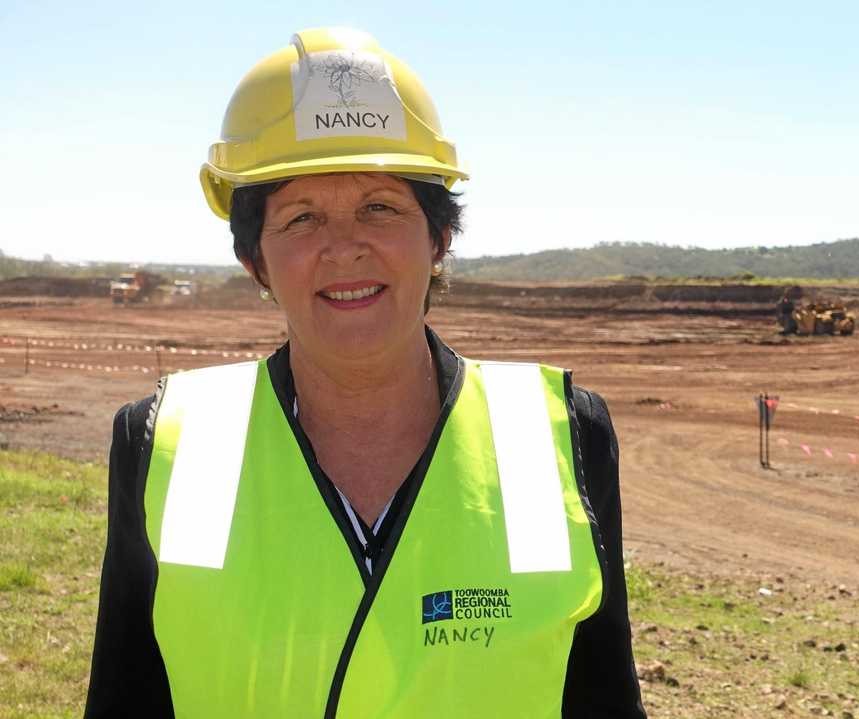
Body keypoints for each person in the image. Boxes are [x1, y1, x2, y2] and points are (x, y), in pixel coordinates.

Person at [84, 28, 646, 718]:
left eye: (380, 207)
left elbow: (602, 699)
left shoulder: (557, 435)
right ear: (255, 259)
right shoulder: (171, 443)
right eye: (301, 217)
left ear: (438, 238)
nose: (344, 248)